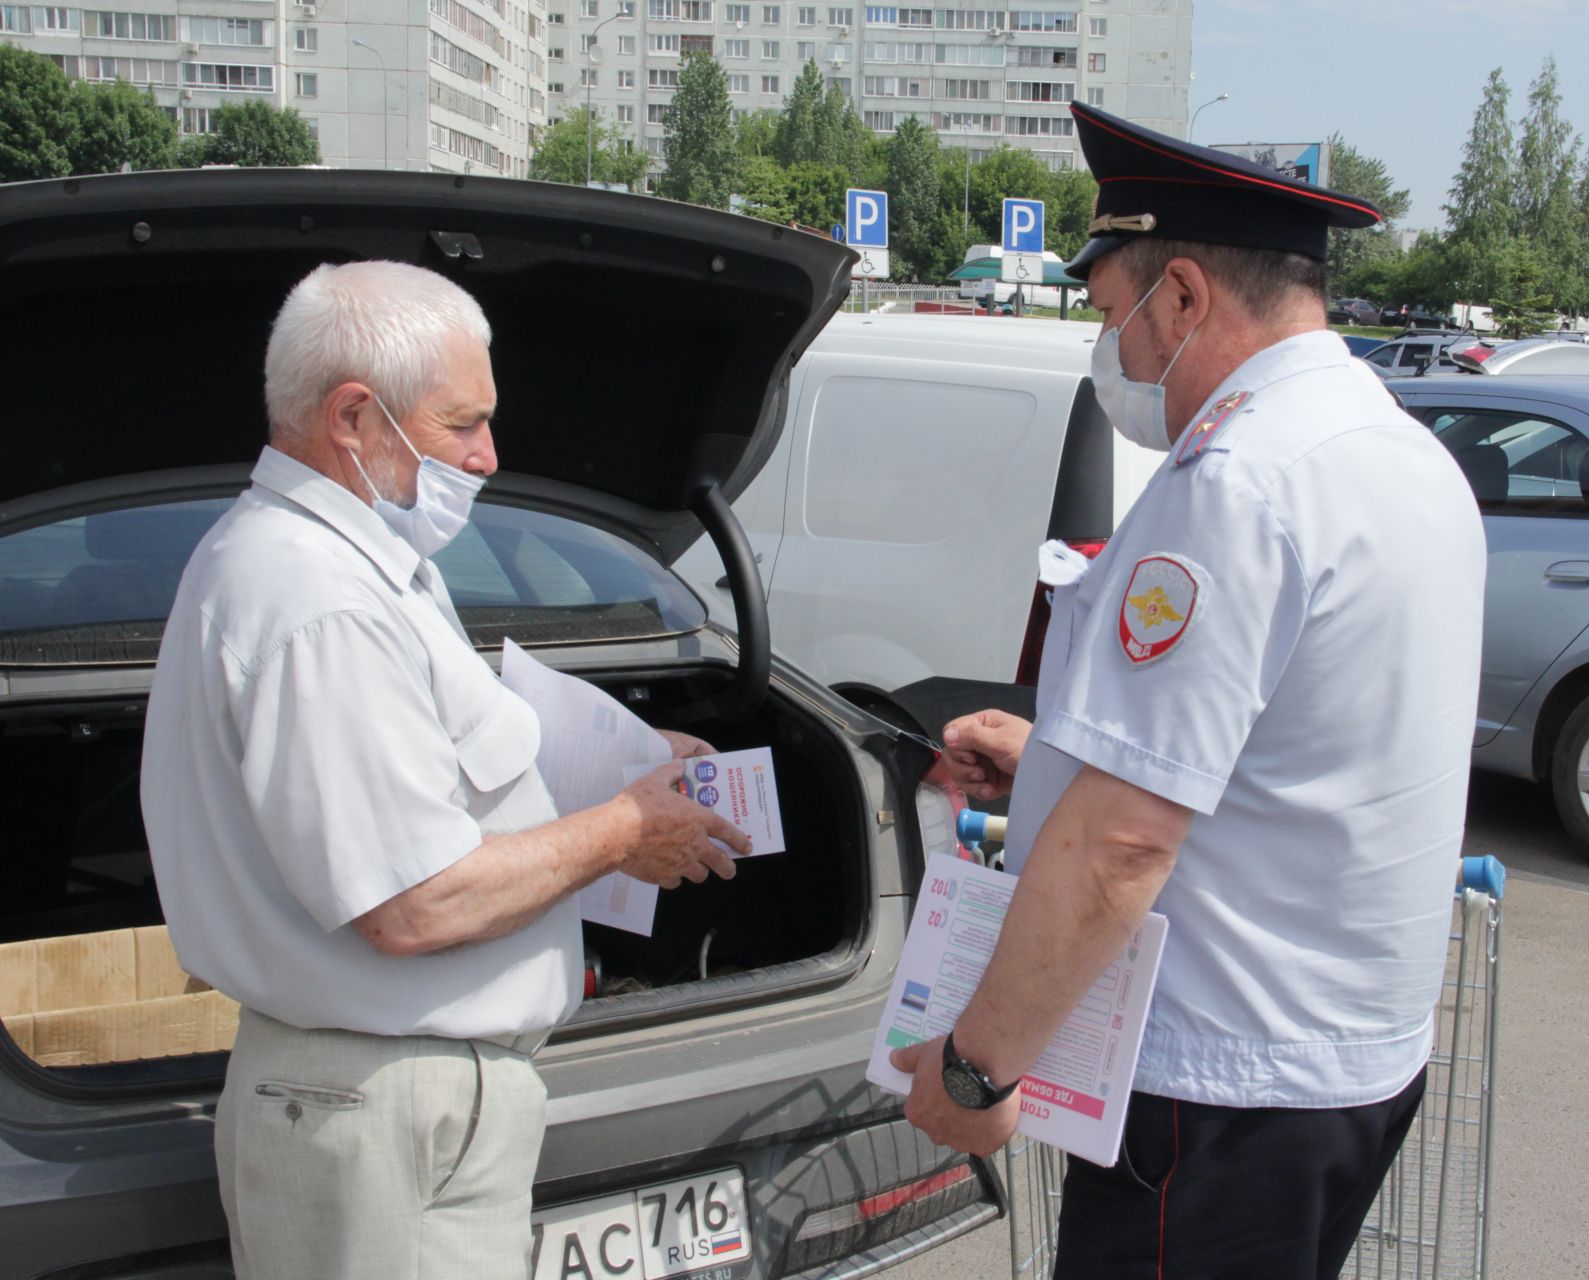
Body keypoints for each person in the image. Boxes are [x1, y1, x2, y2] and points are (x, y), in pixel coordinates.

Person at [888, 102, 1488, 1280]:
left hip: (1220, 1091)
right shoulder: (1397, 449)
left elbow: (1120, 844)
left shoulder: (1236, 480)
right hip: (1347, 1063)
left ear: (1182, 295)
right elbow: (1299, 744)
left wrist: (976, 1067)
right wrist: (1055, 757)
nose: (1112, 351)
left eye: (1113, 316)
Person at [140, 261, 750, 1280]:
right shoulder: (316, 601)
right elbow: (412, 904)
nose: (489, 453)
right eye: (461, 422)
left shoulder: (365, 567)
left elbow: (433, 773)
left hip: (404, 1110)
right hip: (383, 1112)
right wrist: (619, 830)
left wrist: (632, 769)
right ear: (353, 416)